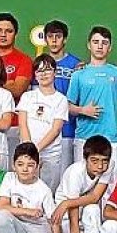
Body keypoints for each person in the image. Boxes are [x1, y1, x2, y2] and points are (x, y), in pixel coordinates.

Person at [67, 26, 117, 191]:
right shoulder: (78, 75)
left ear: (110, 47)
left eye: (104, 43)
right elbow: (67, 106)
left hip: (111, 137)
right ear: (89, 45)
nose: (100, 46)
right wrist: (83, 110)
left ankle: (108, 218)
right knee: (81, 186)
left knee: (110, 187)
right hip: (84, 137)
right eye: (96, 42)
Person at [51, 135, 113, 233]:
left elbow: (95, 197)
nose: (100, 166)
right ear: (85, 159)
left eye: (104, 161)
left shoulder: (109, 166)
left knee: (92, 210)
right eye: (94, 161)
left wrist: (67, 202)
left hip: (82, 208)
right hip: (66, 217)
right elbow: (73, 219)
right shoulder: (75, 174)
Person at [0, 141, 57, 233]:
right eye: (20, 164)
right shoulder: (9, 178)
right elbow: (3, 205)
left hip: (37, 227)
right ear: (13, 165)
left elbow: (55, 222)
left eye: (30, 165)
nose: (25, 169)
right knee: (0, 215)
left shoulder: (44, 190)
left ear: (38, 167)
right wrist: (27, 211)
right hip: (19, 226)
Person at [17, 54, 70, 190]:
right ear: (35, 75)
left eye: (47, 70)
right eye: (39, 71)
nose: (43, 74)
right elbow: (22, 123)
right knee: (26, 191)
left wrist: (37, 149)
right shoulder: (27, 96)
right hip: (27, 155)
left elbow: (55, 130)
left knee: (48, 192)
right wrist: (29, 150)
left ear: (55, 72)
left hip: (50, 155)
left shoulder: (61, 99)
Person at [0, 12, 35, 159]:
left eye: (8, 31)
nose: (3, 35)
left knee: (12, 172)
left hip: (13, 126)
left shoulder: (24, 60)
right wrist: (7, 83)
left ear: (15, 34)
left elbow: (17, 90)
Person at [43, 19, 82, 176]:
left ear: (65, 39)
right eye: (50, 36)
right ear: (45, 39)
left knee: (66, 176)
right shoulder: (40, 66)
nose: (54, 40)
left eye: (58, 36)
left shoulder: (76, 65)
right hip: (44, 130)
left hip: (67, 130)